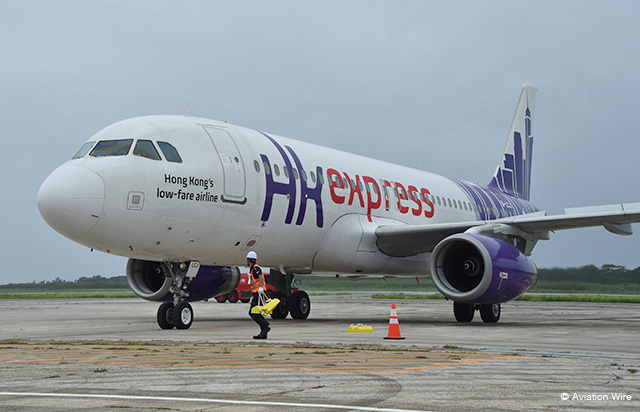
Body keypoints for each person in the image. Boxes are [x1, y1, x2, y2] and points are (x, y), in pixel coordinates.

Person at [246, 251, 270, 339]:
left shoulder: (255, 268)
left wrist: (260, 287)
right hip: (257, 292)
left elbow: (260, 277)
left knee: (252, 312)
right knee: (256, 312)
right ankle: (264, 332)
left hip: (259, 292)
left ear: (248, 260)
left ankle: (265, 327)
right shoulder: (253, 268)